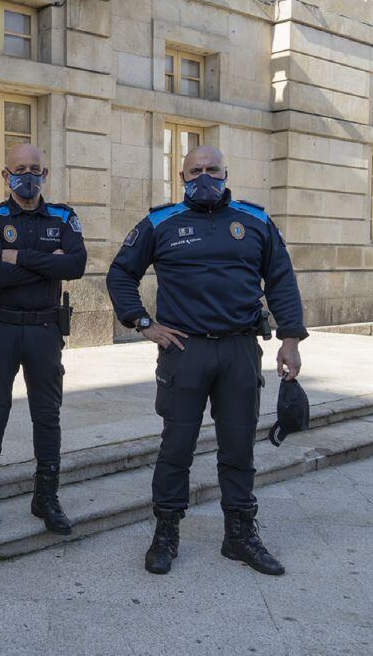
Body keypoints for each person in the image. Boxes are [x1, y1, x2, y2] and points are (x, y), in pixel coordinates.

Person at [106, 145, 306, 577]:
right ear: (181, 178)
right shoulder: (161, 222)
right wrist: (143, 323)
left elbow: (281, 279)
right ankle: (166, 532)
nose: (204, 177)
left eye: (212, 169)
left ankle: (239, 535)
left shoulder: (255, 221)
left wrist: (290, 339)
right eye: (194, 171)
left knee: (238, 448)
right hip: (184, 351)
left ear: (225, 172)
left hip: (239, 350)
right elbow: (121, 273)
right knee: (176, 447)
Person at [0, 143, 87, 537]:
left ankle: (46, 498)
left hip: (45, 330)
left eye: (35, 168)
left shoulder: (64, 216)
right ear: (5, 175)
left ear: (45, 174)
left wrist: (16, 256)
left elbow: (76, 265)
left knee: (47, 415)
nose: (28, 175)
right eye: (19, 168)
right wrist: (47, 261)